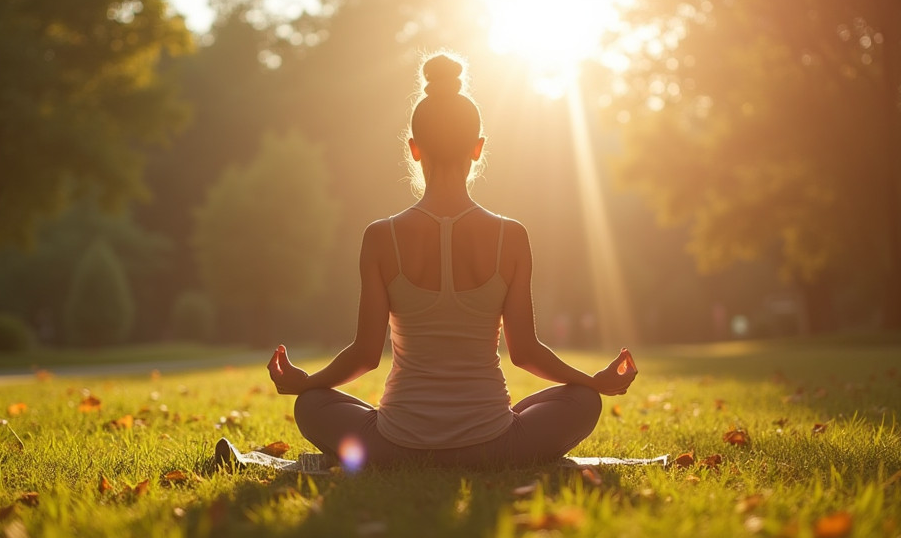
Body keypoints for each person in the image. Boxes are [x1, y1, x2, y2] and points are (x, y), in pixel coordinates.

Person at [265, 52, 637, 469]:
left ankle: (402, 451)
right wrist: (594, 383)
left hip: (394, 446)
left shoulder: (380, 237)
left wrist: (307, 383)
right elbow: (526, 352)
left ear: (414, 149)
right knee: (582, 400)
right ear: (478, 149)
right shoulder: (509, 237)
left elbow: (366, 354)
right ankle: (494, 441)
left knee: (311, 405)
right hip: (496, 444)